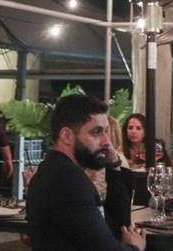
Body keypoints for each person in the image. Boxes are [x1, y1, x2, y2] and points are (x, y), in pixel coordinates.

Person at [26, 94, 144, 251]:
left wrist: (113, 165)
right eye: (96, 132)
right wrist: (136, 248)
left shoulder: (55, 169)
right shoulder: (67, 179)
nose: (106, 142)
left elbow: (117, 227)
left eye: (106, 132)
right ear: (67, 136)